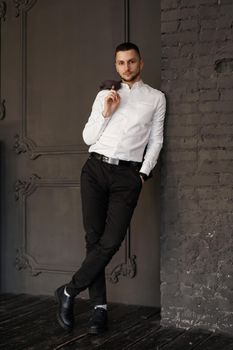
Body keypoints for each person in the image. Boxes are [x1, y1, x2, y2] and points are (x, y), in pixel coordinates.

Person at [55, 42, 166, 334]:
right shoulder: (106, 94)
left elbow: (155, 140)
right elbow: (87, 137)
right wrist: (106, 111)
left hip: (127, 176)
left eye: (131, 62)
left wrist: (142, 173)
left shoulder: (156, 98)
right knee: (94, 241)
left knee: (111, 241)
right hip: (95, 169)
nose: (126, 68)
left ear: (141, 63)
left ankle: (68, 292)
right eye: (120, 63)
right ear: (115, 65)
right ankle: (99, 309)